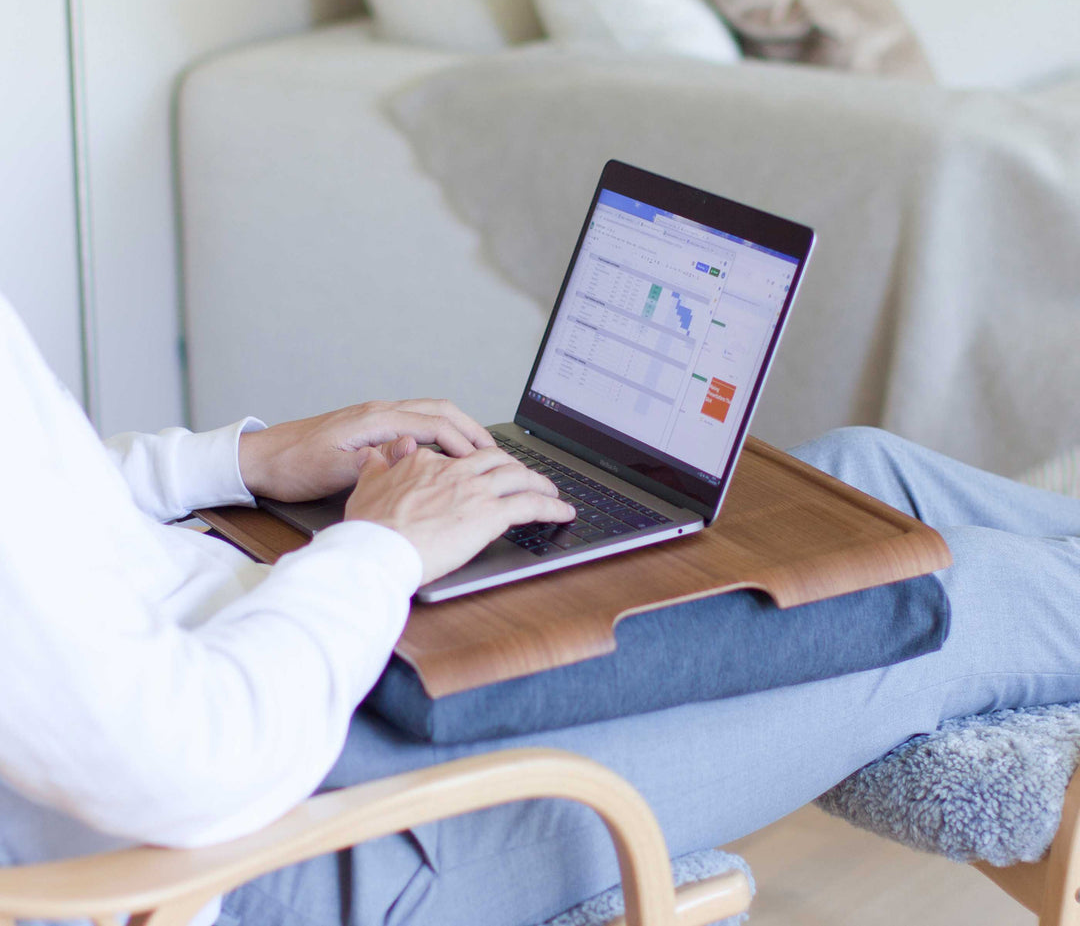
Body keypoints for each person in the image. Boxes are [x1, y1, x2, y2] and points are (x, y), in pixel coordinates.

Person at [3, 288, 1080, 926]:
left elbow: (39, 494)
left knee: (853, 477)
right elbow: (186, 767)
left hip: (300, 667)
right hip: (288, 847)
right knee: (941, 598)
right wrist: (383, 544)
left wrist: (238, 458)